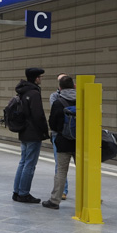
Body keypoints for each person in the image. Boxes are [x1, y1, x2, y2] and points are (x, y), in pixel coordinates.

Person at [12, 67, 49, 203]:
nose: (41, 79)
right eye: (40, 77)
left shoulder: (22, 91)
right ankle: (24, 193)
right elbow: (38, 115)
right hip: (33, 133)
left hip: (23, 132)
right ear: (36, 78)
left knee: (23, 162)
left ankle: (17, 192)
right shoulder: (33, 93)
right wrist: (45, 131)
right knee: (30, 164)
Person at [42, 75, 77, 210]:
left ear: (60, 87)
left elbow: (53, 123)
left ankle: (55, 200)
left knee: (61, 171)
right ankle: (88, 199)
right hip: (81, 142)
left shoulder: (58, 102)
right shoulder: (83, 100)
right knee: (84, 171)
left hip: (63, 141)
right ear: (74, 86)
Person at [49, 73, 70, 200]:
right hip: (77, 136)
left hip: (60, 135)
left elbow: (53, 119)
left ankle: (56, 198)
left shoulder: (56, 98)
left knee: (60, 167)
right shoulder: (80, 96)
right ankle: (64, 190)